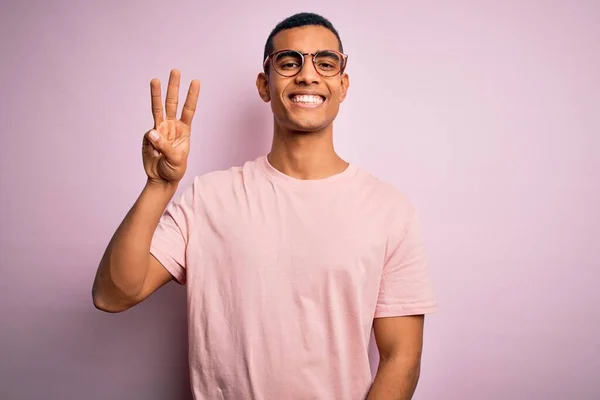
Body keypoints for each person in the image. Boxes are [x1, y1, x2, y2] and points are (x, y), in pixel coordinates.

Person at [92, 12, 437, 400]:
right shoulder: (209, 198)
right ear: (264, 84)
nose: (308, 75)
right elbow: (113, 295)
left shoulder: (388, 209)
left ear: (343, 84)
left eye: (325, 63)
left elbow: (401, 358)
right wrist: (158, 186)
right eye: (289, 62)